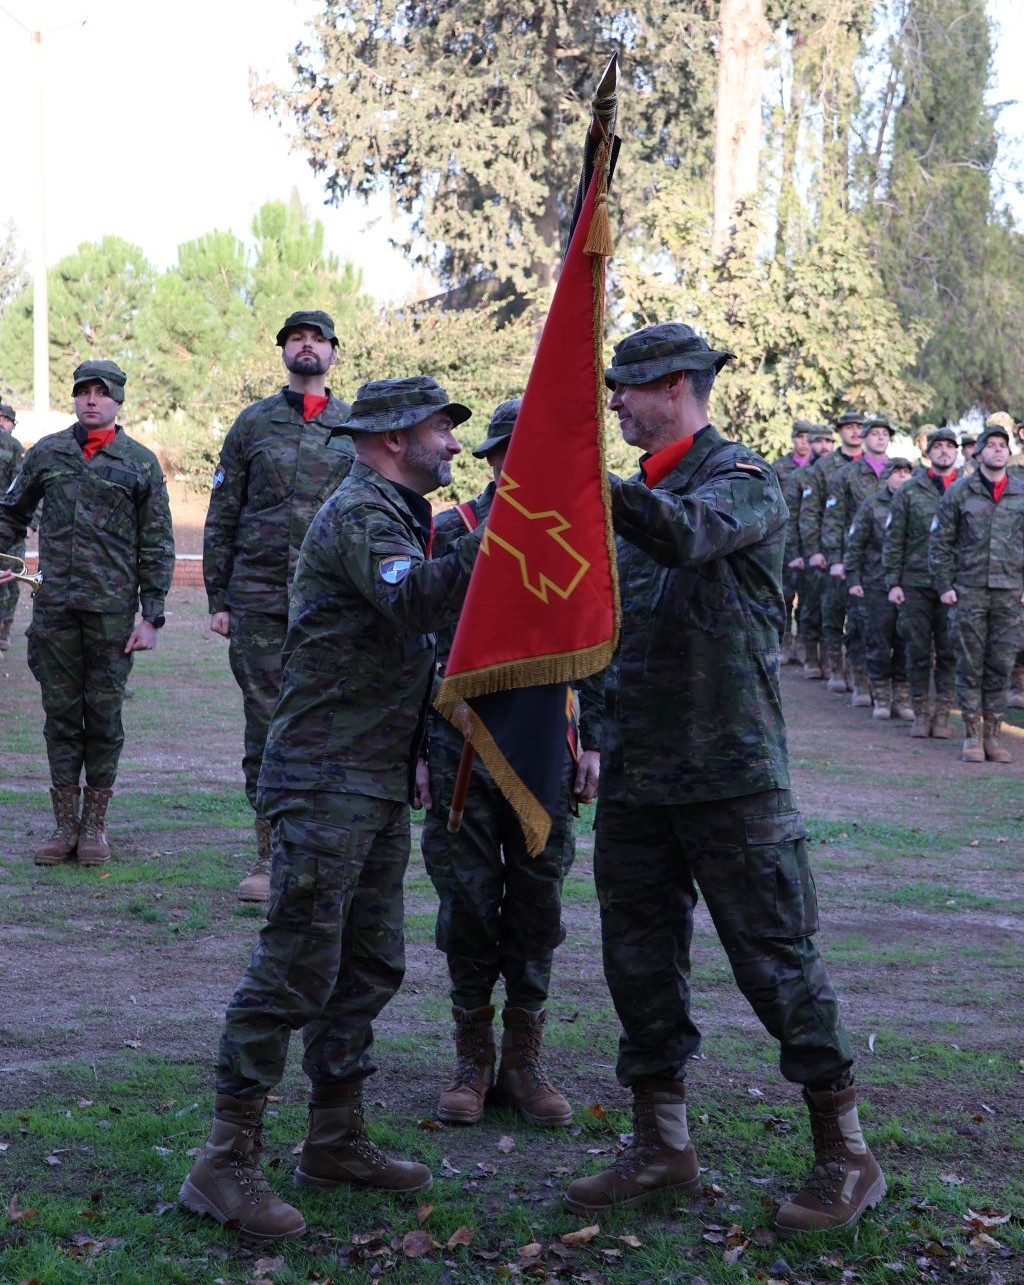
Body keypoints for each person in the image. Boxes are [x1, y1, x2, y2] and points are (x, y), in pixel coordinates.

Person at [563, 323, 885, 1238]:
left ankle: (847, 1153)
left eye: (625, 387)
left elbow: (685, 536)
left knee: (776, 963)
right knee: (638, 963)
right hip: (637, 778)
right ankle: (661, 1143)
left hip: (731, 780)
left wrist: (594, 485)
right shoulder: (632, 499)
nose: (615, 402)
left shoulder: (741, 482)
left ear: (675, 385)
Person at [179, 376, 485, 1245]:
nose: (454, 447)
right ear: (392, 437)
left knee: (369, 962)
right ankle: (224, 1157)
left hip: (372, 776)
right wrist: (503, 528)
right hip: (325, 777)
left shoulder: (397, 512)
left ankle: (334, 1137)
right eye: (440, 430)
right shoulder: (359, 513)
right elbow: (416, 598)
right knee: (293, 966)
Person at [420, 398, 601, 1129]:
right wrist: (415, 751)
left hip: (543, 754)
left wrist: (597, 742)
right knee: (466, 904)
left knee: (537, 907)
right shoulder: (450, 533)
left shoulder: (577, 540)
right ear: (492, 461)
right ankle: (474, 1059)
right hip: (458, 747)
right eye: (509, 455)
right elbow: (414, 647)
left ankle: (524, 1059)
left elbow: (600, 646)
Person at [203, 310, 354, 902]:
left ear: (333, 354)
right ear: (284, 351)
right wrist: (219, 597)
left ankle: (321, 852)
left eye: (317, 339)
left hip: (331, 605)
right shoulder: (252, 425)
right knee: (266, 727)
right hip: (259, 604)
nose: (307, 346)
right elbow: (223, 515)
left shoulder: (353, 425)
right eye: (297, 338)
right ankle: (269, 857)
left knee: (329, 726)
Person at [0, 361, 174, 865]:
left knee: (103, 718)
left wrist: (153, 614)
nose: (92, 400)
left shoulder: (139, 463)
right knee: (60, 718)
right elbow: (11, 513)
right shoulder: (47, 453)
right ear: (74, 398)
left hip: (112, 617)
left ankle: (94, 827)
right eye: (83, 392)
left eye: (102, 393)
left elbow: (157, 541)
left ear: (119, 401)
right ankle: (63, 827)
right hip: (54, 612)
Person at [930, 415, 1024, 763]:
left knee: (1001, 663)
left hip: (1009, 591)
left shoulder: (1020, 491)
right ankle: (971, 735)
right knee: (969, 663)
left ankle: (994, 736)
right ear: (978, 454)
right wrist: (944, 585)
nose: (998, 451)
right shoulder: (959, 492)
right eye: (992, 446)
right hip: (968, 591)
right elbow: (940, 542)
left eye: (1003, 447)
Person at [883, 427, 961, 737]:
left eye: (949, 446)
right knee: (915, 650)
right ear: (927, 453)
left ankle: (942, 716)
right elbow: (894, 538)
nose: (944, 451)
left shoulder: (966, 490)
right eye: (938, 446)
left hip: (954, 585)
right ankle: (920, 713)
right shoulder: (910, 490)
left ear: (957, 453)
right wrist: (893, 581)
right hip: (915, 583)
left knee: (949, 650)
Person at [821, 415, 894, 707]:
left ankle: (887, 688)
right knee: (858, 624)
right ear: (864, 438)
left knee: (889, 628)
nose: (879, 438)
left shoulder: (901, 472)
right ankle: (861, 682)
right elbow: (833, 520)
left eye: (884, 434)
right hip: (858, 561)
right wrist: (835, 560)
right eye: (874, 433)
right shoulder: (847, 475)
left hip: (892, 561)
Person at [798, 411, 866, 692]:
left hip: (866, 555)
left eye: (858, 428)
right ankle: (833, 666)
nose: (854, 432)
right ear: (840, 432)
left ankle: (857, 672)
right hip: (833, 549)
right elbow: (810, 513)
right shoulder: (824, 468)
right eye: (848, 428)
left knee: (862, 617)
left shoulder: (872, 467)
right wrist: (813, 550)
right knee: (831, 610)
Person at [845, 458, 914, 720]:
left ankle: (902, 697)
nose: (902, 477)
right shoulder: (872, 505)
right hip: (876, 583)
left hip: (910, 585)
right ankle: (881, 697)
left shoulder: (917, 505)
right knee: (878, 641)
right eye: (897, 473)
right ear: (887, 477)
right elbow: (856, 544)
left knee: (906, 642)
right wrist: (853, 579)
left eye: (907, 472)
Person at [771, 420, 815, 665]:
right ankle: (785, 642)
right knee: (784, 595)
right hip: (786, 537)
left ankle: (803, 646)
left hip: (810, 538)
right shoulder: (779, 467)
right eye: (800, 437)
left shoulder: (818, 468)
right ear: (793, 439)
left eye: (808, 437)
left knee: (808, 598)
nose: (804, 441)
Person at [794, 424, 834, 679]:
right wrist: (804, 552)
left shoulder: (841, 472)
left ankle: (832, 660)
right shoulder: (804, 475)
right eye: (818, 442)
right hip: (812, 549)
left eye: (828, 442)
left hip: (835, 550)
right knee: (810, 605)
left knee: (832, 609)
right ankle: (810, 657)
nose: (823, 447)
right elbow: (800, 517)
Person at [0, 402, 26, 653]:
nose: (2, 423)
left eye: (6, 420)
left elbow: (26, 490)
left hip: (10, 526)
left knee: (10, 579)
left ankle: (6, 627)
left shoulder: (15, 449)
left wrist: (29, 524)